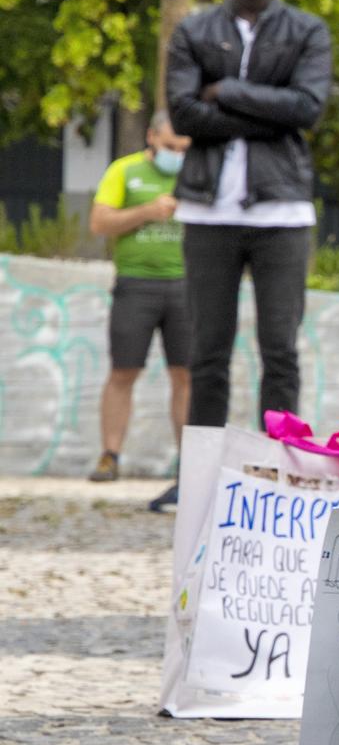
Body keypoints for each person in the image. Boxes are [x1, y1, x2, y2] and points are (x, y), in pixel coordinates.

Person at [167, 0, 332, 456]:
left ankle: (278, 470)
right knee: (207, 350)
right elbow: (184, 113)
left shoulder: (307, 30)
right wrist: (267, 111)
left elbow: (307, 108)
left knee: (279, 350)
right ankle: (201, 474)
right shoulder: (194, 29)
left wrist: (228, 91)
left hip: (280, 211)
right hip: (208, 212)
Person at [88, 112, 193, 511]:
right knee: (123, 371)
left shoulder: (196, 174)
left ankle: (189, 463)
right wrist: (147, 211)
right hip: (136, 283)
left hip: (186, 285)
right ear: (151, 137)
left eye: (184, 149)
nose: (177, 156)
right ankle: (110, 455)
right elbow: (100, 221)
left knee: (185, 374)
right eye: (169, 147)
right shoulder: (124, 171)